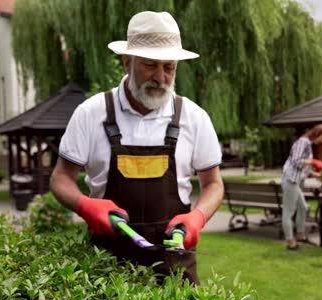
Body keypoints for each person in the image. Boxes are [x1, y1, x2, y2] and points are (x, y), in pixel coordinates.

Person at [50, 10, 223, 285]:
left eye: (169, 68)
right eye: (150, 65)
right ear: (126, 61)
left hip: (174, 268)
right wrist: (84, 205)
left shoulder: (193, 117)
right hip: (106, 270)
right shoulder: (91, 113)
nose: (160, 77)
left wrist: (198, 217)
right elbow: (61, 177)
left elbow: (213, 184)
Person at [281, 124, 322, 250]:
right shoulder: (303, 142)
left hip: (294, 181)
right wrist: (313, 162)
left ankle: (300, 235)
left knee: (303, 207)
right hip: (290, 180)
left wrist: (318, 174)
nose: (321, 141)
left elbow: (304, 169)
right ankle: (290, 242)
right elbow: (296, 161)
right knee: (288, 212)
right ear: (317, 134)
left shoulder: (308, 145)